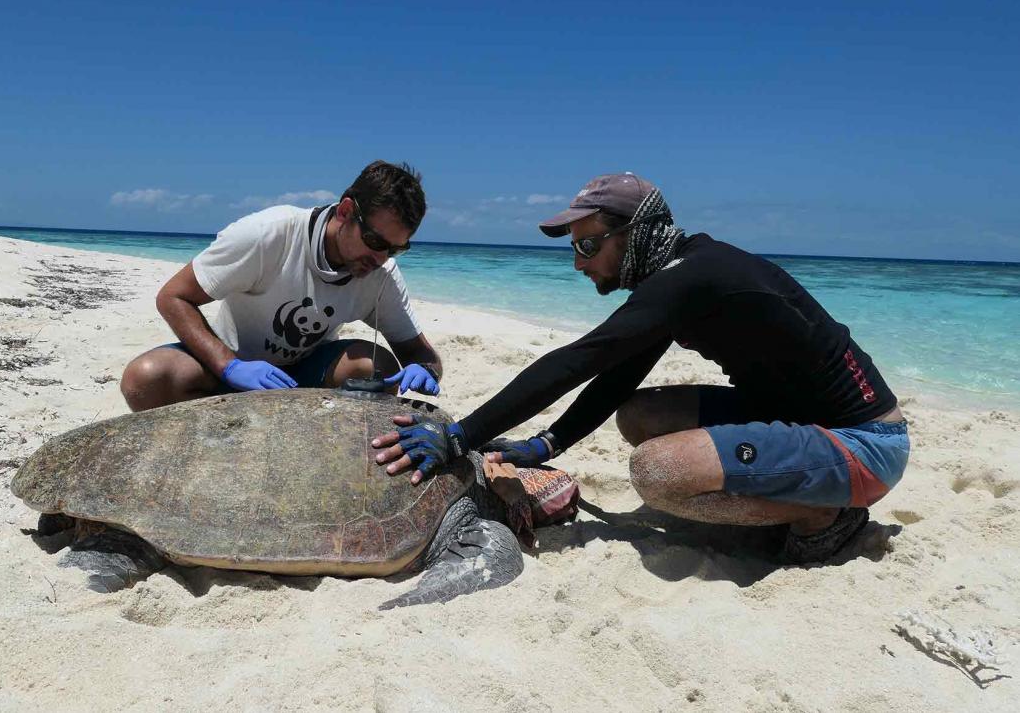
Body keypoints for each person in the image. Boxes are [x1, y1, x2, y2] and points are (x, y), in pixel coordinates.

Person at [371, 172, 909, 564]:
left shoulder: (690, 278)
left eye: (587, 244)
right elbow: (619, 372)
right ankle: (794, 489)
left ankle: (826, 516)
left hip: (863, 443)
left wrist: (461, 435)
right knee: (640, 414)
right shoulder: (680, 277)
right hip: (794, 416)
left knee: (658, 474)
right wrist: (548, 445)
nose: (579, 262)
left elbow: (577, 360)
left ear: (635, 232)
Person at [121, 160, 443, 411]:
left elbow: (420, 352)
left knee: (378, 366)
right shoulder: (268, 234)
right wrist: (229, 365)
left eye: (395, 248)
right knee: (146, 377)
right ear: (345, 212)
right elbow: (173, 297)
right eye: (374, 240)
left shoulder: (381, 273)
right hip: (230, 366)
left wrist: (426, 369)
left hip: (304, 381)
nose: (380, 257)